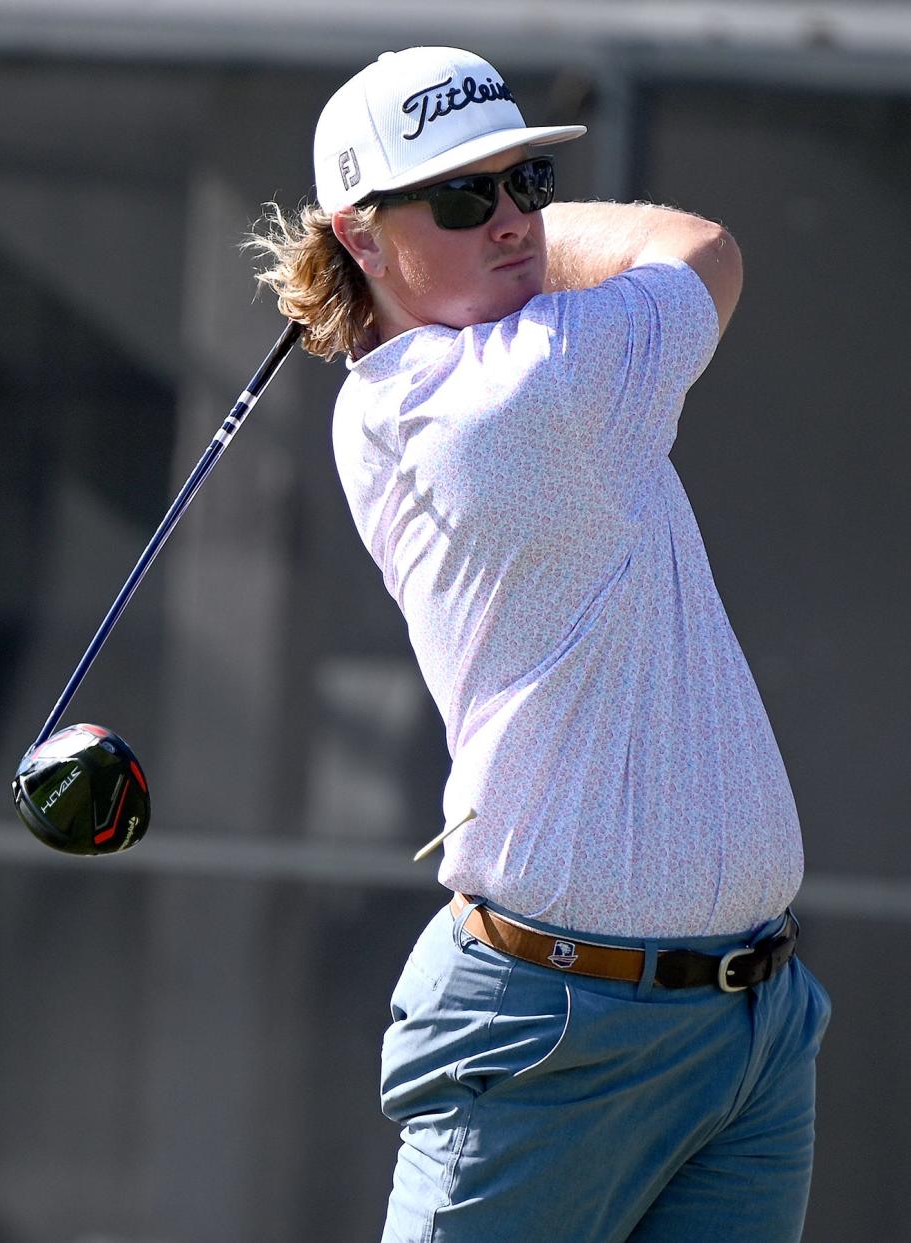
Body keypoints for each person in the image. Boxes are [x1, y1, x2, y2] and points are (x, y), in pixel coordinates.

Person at [250, 45, 831, 1243]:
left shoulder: (495, 363)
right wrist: (544, 252)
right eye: (465, 198)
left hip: (750, 1025)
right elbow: (703, 248)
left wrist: (474, 243)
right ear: (360, 236)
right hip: (556, 1036)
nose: (514, 222)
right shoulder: (526, 392)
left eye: (527, 185)